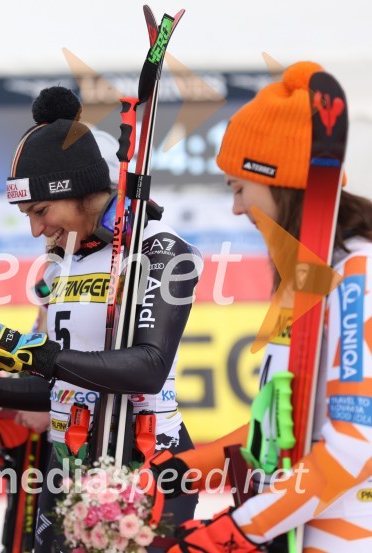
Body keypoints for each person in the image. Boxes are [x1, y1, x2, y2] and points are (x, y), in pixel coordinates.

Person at [0, 86, 202, 552]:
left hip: (144, 462)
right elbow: (64, 383)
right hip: (68, 462)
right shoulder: (61, 260)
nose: (35, 229)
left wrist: (31, 352)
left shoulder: (159, 248)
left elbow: (147, 366)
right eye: (27, 215)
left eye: (40, 211)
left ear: (77, 189)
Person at [145, 62, 372, 552]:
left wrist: (236, 531)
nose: (236, 207)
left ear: (277, 179)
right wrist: (186, 469)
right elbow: (282, 431)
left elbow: (355, 444)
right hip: (290, 533)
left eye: (238, 187)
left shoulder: (359, 273)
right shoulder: (307, 276)